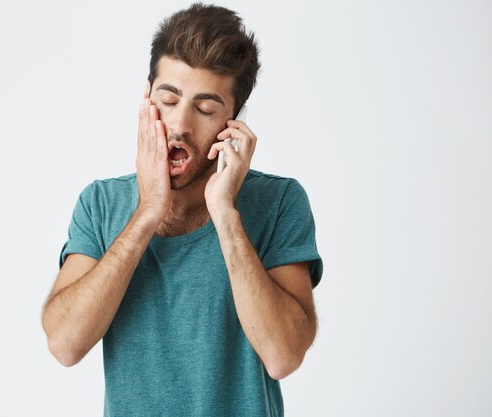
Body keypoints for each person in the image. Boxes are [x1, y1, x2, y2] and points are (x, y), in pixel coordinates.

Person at [41, 3, 323, 416]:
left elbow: (283, 356)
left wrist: (225, 214)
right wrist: (149, 211)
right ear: (146, 98)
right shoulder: (100, 203)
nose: (180, 125)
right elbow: (64, 344)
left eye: (205, 109)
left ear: (235, 121)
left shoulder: (280, 202)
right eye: (168, 99)